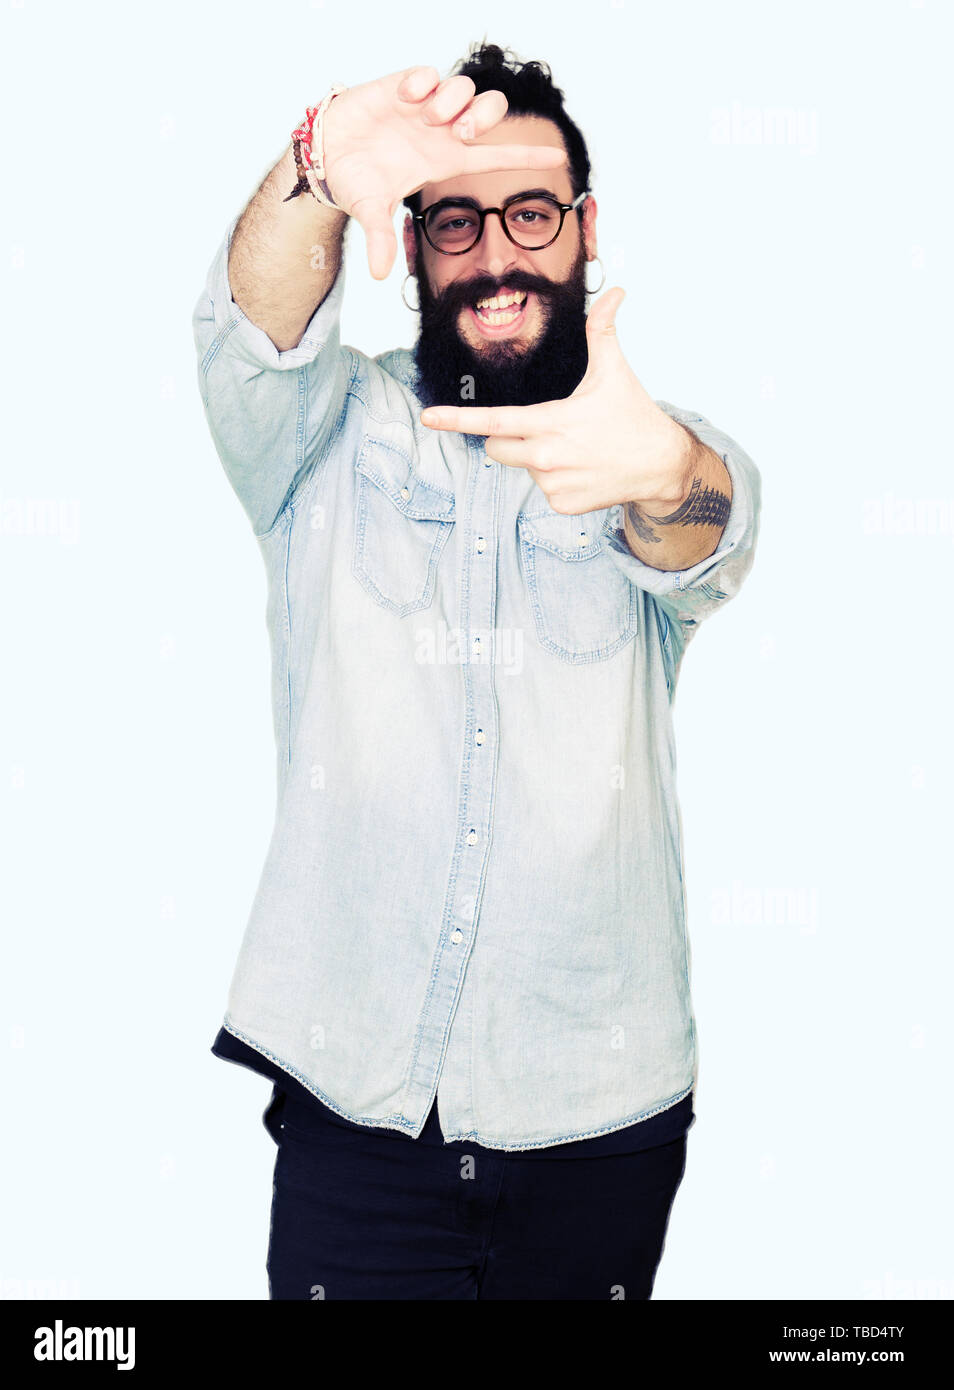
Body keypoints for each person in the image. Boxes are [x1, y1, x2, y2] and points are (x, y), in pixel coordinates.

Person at [191, 41, 762, 1301]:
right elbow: (253, 333)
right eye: (455, 219)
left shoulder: (643, 453)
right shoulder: (318, 436)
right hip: (359, 1112)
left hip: (598, 1117)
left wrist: (660, 467)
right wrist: (316, 163)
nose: (496, 254)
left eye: (529, 214)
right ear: (415, 241)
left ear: (584, 229)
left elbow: (713, 528)